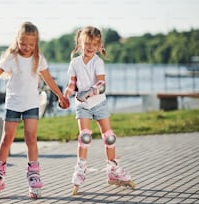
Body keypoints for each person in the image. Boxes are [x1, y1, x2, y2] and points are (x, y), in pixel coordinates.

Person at [0, 21, 69, 199]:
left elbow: (49, 80)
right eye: (23, 43)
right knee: (7, 138)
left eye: (31, 44)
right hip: (13, 103)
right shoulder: (12, 57)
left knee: (31, 138)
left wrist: (61, 96)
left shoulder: (39, 58)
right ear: (17, 40)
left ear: (36, 43)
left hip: (31, 103)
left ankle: (33, 175)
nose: (27, 47)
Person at [63, 26, 135, 195]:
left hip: (99, 103)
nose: (90, 47)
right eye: (87, 43)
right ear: (80, 43)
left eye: (94, 44)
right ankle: (80, 169)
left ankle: (113, 169)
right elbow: (72, 85)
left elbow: (102, 86)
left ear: (99, 45)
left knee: (109, 137)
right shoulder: (75, 63)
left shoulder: (98, 62)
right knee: (85, 136)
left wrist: (88, 93)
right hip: (83, 107)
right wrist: (65, 96)